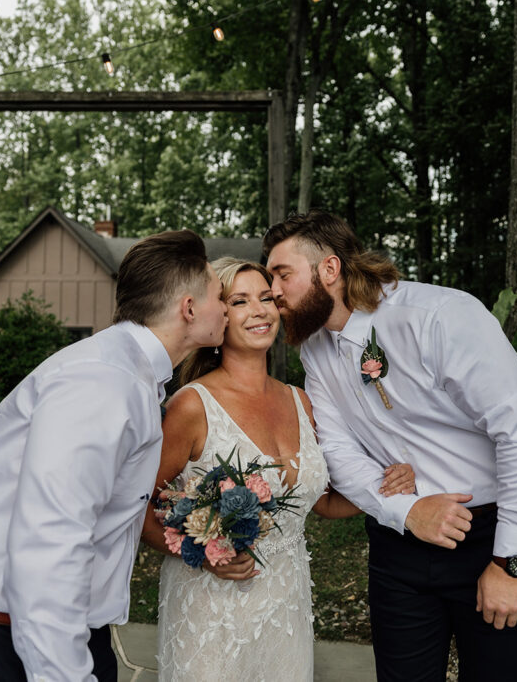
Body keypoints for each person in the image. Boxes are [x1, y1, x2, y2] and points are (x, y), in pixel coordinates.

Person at [0, 230, 229, 682]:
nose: (227, 308)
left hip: (42, 636)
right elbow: (50, 540)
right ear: (189, 308)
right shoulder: (104, 383)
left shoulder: (127, 373)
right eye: (220, 295)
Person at [264, 210, 517, 681]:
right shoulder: (314, 348)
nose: (273, 291)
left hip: (489, 540)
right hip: (396, 549)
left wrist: (512, 561)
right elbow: (338, 451)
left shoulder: (439, 316)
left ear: (329, 270)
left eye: (282, 274)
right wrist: (404, 510)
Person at [142, 257, 415, 682]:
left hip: (286, 610)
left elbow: (322, 502)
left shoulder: (302, 401)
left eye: (267, 298)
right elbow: (137, 507)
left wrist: (384, 490)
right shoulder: (192, 406)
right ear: (219, 314)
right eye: (240, 300)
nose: (260, 310)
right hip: (212, 614)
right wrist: (204, 555)